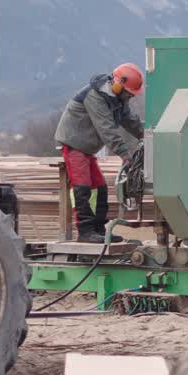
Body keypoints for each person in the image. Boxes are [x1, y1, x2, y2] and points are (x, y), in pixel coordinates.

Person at [54, 63, 145, 243]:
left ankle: (98, 230)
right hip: (74, 144)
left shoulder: (117, 99)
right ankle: (86, 232)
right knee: (83, 185)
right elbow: (107, 130)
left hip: (87, 148)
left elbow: (131, 122)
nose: (129, 98)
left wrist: (152, 136)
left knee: (100, 187)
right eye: (128, 93)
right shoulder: (95, 97)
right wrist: (127, 156)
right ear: (118, 85)